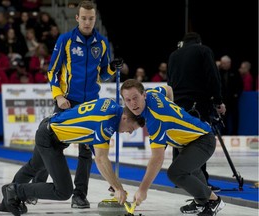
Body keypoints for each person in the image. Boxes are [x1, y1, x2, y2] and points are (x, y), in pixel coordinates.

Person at [0, 97, 145, 216]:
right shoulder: (107, 123)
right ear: (125, 118)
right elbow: (101, 159)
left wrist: (113, 183)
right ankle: (16, 191)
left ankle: (6, 202)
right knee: (63, 191)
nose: (129, 132)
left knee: (34, 167)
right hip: (50, 138)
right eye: (131, 128)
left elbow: (92, 135)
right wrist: (117, 187)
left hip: (50, 128)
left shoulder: (110, 104)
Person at [46, 0, 123, 209]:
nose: (88, 22)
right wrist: (58, 97)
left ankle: (79, 195)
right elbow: (52, 71)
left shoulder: (102, 43)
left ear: (94, 19)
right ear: (77, 18)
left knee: (86, 152)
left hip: (91, 105)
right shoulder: (66, 40)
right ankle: (38, 181)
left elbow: (104, 74)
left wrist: (113, 69)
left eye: (91, 18)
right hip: (67, 102)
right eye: (84, 18)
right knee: (50, 144)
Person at [120, 79, 226, 216]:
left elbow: (157, 159)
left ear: (143, 95)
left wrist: (143, 189)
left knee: (176, 173)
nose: (133, 103)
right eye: (128, 100)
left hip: (203, 139)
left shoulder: (156, 120)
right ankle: (201, 201)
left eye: (135, 98)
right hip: (189, 141)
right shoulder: (153, 93)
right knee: (190, 169)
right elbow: (168, 89)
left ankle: (214, 201)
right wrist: (172, 108)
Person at [167, 32, 226, 192]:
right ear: (198, 42)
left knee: (179, 138)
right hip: (198, 103)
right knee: (199, 140)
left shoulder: (174, 55)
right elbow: (213, 76)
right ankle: (200, 181)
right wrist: (218, 100)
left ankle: (179, 178)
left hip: (177, 103)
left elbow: (169, 81)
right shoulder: (203, 51)